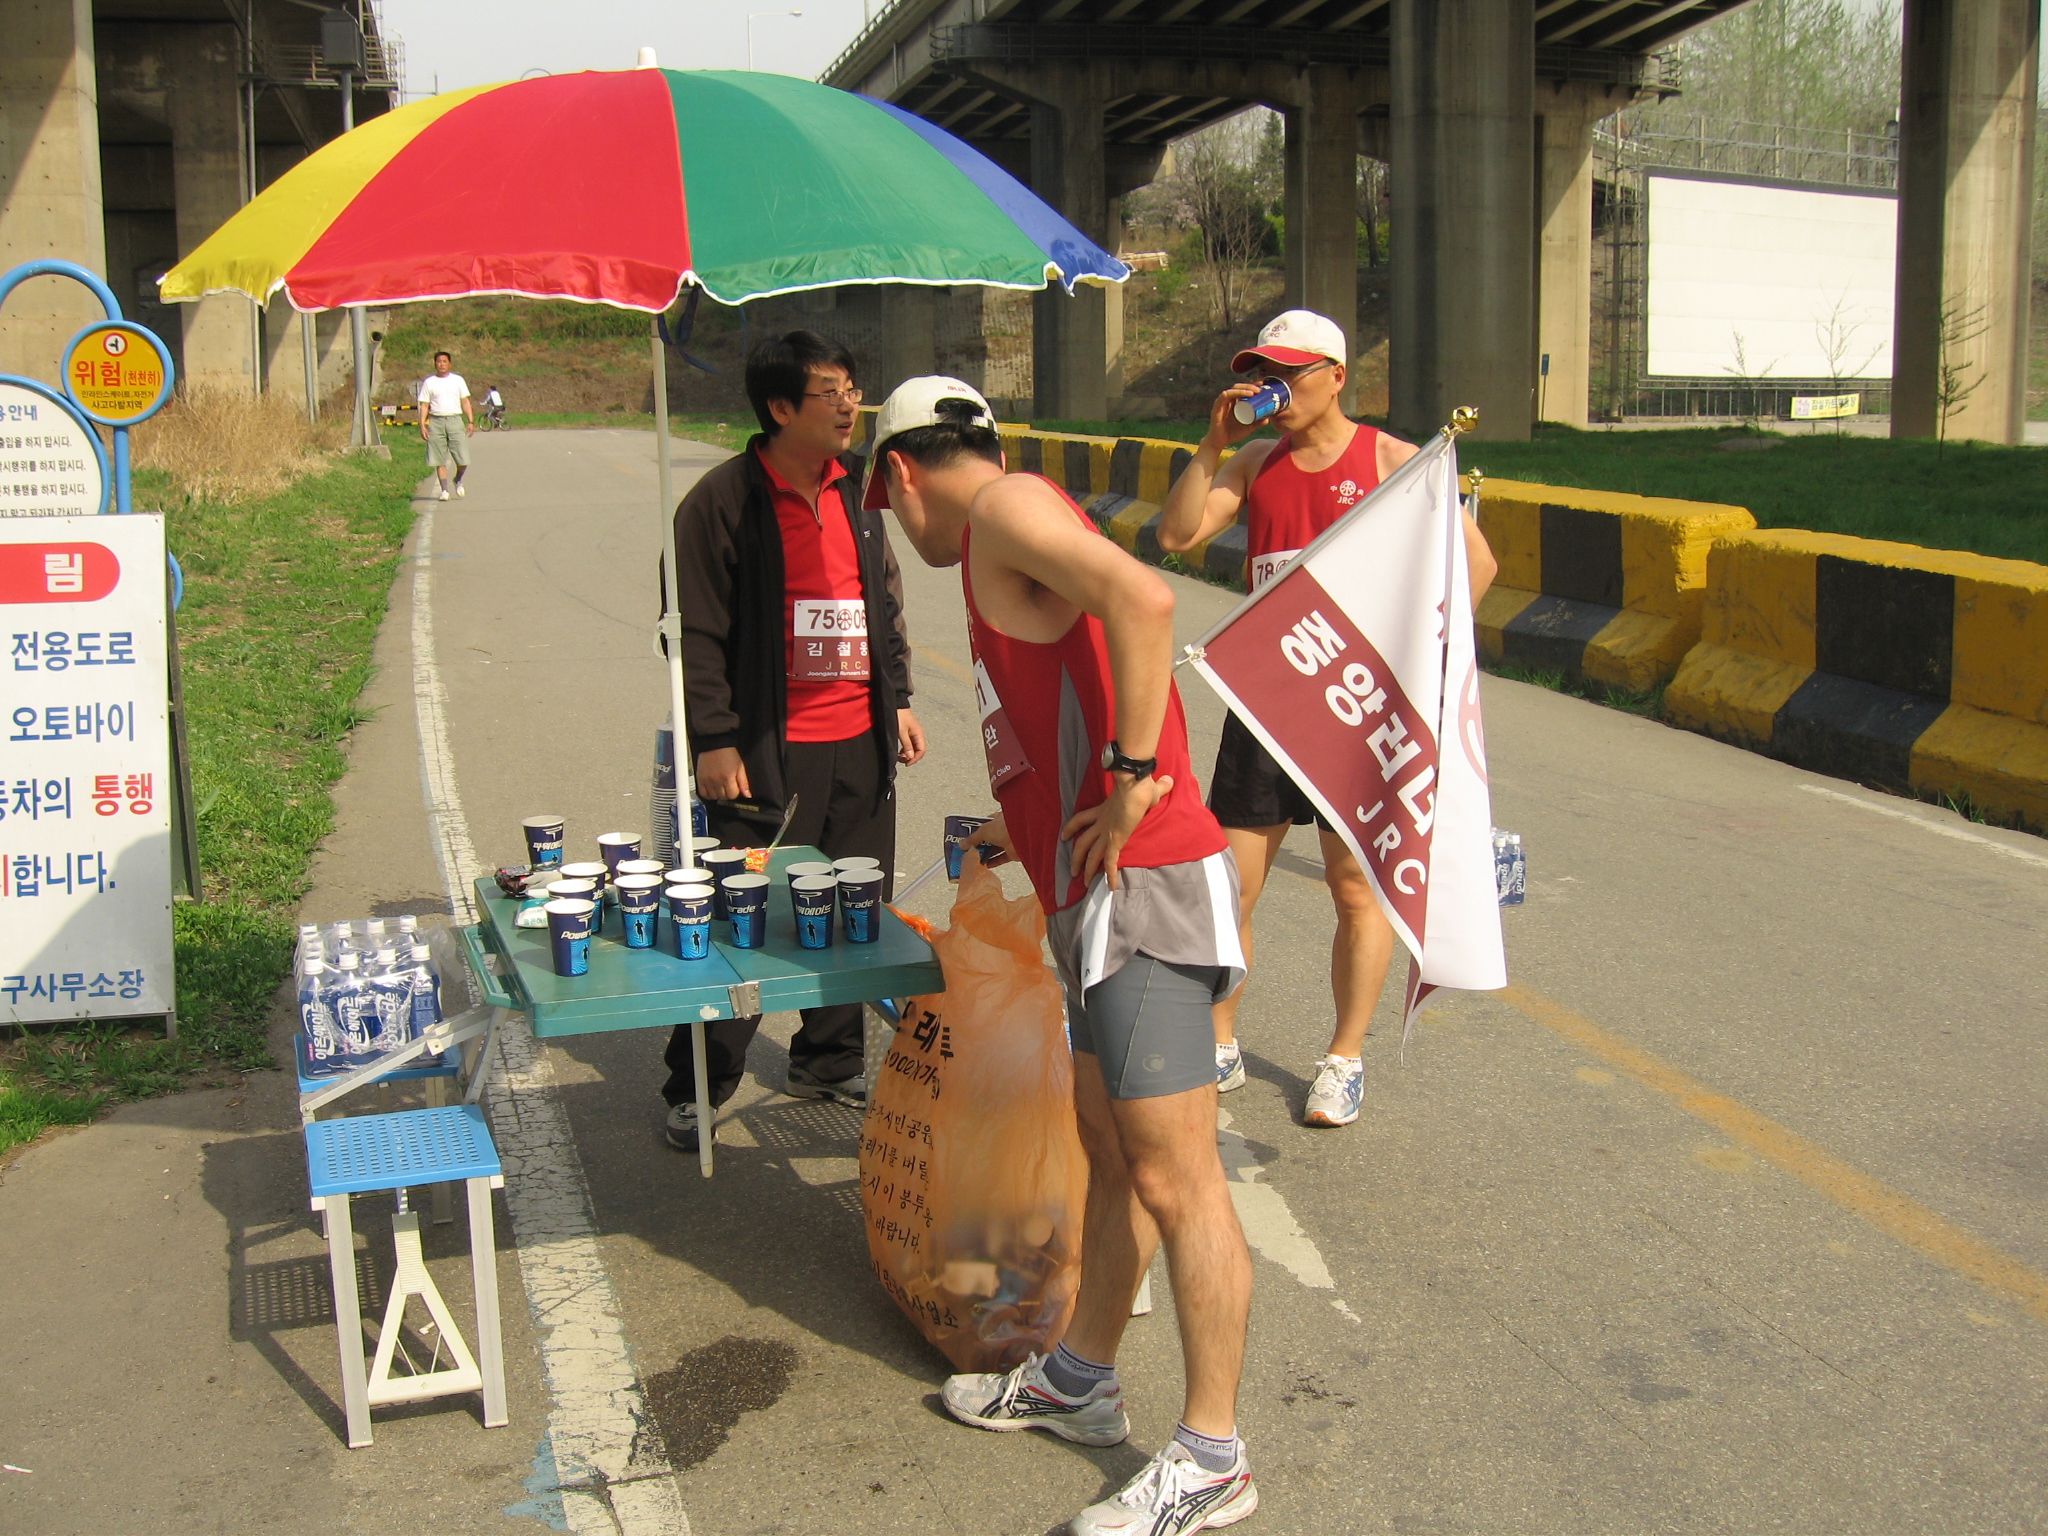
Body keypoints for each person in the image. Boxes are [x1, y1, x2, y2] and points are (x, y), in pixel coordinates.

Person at [868, 376, 1257, 1536]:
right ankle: (1080, 1380)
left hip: (1143, 890)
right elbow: (1070, 680)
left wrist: (1133, 776)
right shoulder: (1006, 534)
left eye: (884, 504)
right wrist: (1023, 818)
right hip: (1094, 896)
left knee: (1176, 1176)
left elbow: (1144, 597)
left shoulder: (1000, 510)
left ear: (899, 474)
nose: (895, 526)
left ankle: (1213, 1457)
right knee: (1107, 1148)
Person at [1156, 309, 1497, 1129]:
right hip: (1265, 706)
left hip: (1351, 708)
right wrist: (1212, 444)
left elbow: (1476, 565)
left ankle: (1345, 1059)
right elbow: (1175, 533)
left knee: (1354, 890)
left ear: (1335, 377)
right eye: (1261, 374)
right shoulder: (1255, 463)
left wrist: (1409, 659)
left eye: (1288, 373)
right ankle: (1220, 1040)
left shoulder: (1391, 461)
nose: (1271, 389)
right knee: (1230, 887)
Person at [657, 330, 926, 1154]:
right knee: (745, 926)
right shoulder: (722, 503)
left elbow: (882, 603)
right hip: (765, 755)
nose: (848, 406)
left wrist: (898, 700)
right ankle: (697, 1084)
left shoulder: (859, 491)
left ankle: (828, 1061)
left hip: (859, 742)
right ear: (779, 408)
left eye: (852, 388)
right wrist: (714, 738)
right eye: (828, 392)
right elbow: (694, 633)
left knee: (852, 914)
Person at [417, 351, 475, 499]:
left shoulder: (458, 380)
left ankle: (458, 479)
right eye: (439, 361)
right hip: (436, 422)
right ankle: (444, 490)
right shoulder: (429, 382)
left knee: (463, 459)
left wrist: (470, 421)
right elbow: (424, 405)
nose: (441, 364)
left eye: (444, 361)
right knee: (439, 458)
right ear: (434, 364)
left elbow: (465, 401)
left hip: (455, 420)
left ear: (449, 364)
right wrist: (422, 425)